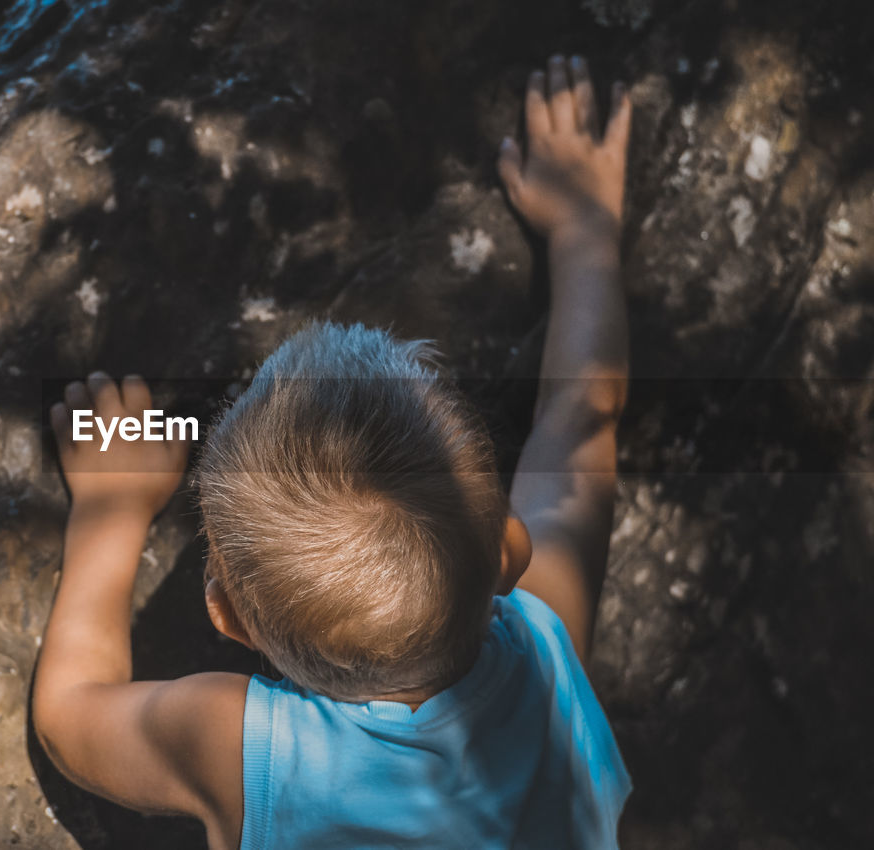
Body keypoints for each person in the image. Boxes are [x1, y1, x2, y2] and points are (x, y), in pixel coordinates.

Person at [33, 53, 633, 849]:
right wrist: (587, 228)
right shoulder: (544, 648)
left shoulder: (240, 749)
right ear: (506, 550)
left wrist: (110, 511)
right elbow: (582, 414)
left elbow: (70, 719)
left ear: (230, 617)